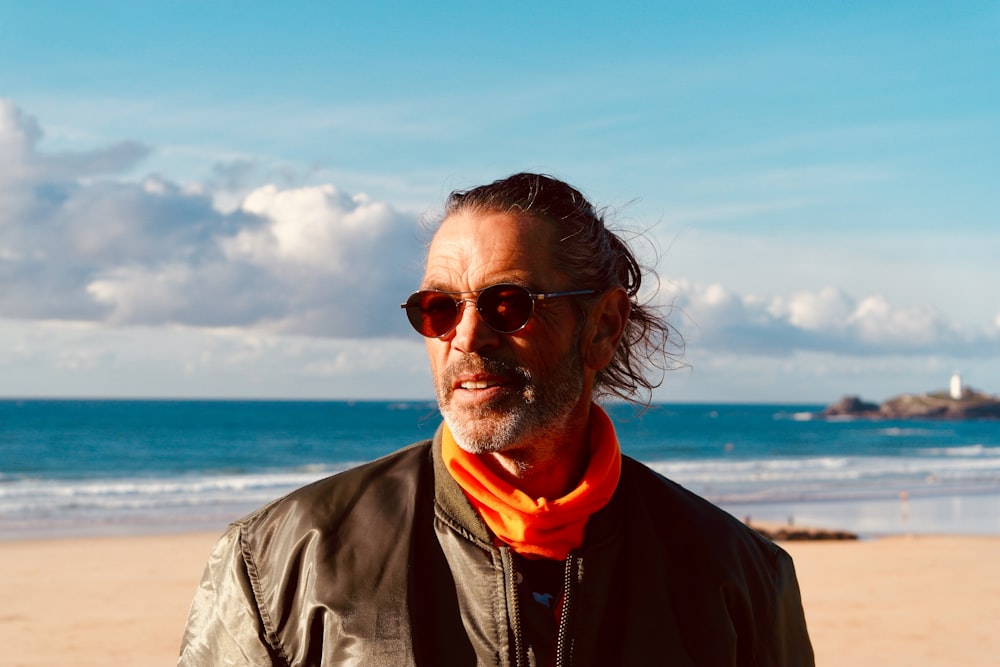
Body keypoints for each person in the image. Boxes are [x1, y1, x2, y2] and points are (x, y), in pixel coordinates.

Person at [178, 173, 814, 666]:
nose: (467, 337)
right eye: (438, 308)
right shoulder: (282, 557)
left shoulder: (737, 574)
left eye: (507, 303)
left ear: (603, 327)